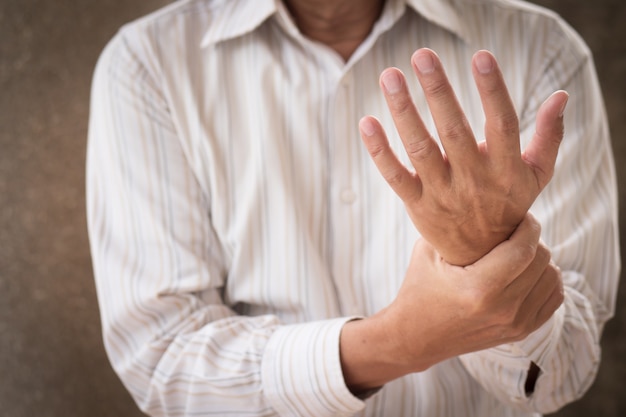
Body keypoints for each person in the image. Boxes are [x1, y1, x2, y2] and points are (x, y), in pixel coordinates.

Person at [86, 0, 620, 415]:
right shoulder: (148, 63)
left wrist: (480, 256)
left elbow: (562, 375)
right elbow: (163, 361)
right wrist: (401, 341)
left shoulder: (540, 46)